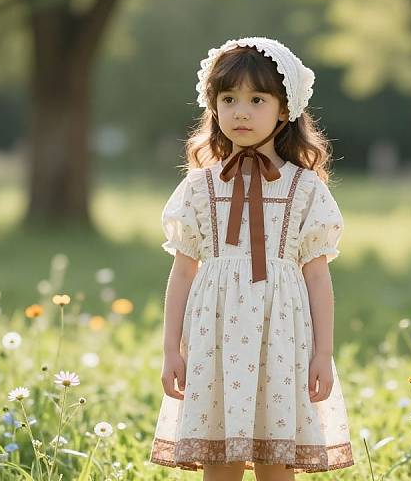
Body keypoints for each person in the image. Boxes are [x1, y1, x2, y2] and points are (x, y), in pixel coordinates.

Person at [149, 37, 355, 480]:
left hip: (281, 338)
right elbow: (183, 271)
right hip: (214, 337)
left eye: (256, 99)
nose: (240, 111)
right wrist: (171, 349)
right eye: (228, 99)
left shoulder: (305, 189)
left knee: (275, 459)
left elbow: (318, 278)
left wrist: (323, 353)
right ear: (213, 106)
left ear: (284, 109)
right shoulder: (200, 187)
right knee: (219, 459)